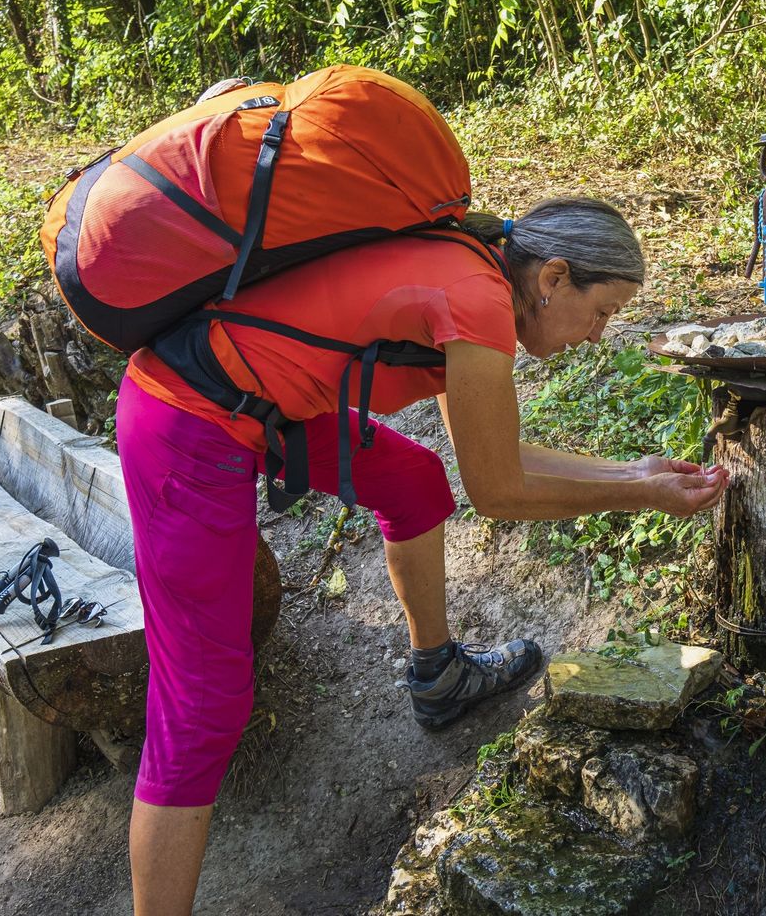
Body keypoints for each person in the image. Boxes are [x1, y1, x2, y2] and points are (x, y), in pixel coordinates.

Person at [115, 196, 728, 915]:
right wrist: (640, 497)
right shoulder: (474, 299)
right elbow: (499, 490)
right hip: (188, 417)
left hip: (261, 402)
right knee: (203, 706)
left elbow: (496, 455)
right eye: (604, 311)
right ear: (554, 278)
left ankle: (437, 677)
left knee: (411, 479)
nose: (599, 335)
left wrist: (638, 474)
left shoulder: (476, 272)